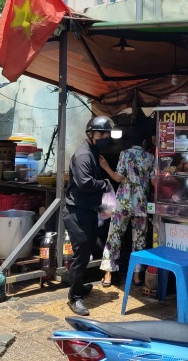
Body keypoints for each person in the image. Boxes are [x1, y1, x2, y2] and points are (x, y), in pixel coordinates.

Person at [63, 116, 116, 316]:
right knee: (82, 254)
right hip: (77, 212)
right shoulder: (83, 155)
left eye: (106, 134)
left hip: (88, 211)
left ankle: (79, 286)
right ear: (89, 134)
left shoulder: (93, 152)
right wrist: (104, 184)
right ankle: (74, 297)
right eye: (101, 133)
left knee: (87, 252)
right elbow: (85, 183)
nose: (104, 137)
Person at [100, 130, 154, 288]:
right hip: (141, 204)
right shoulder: (150, 158)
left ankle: (108, 275)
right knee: (139, 239)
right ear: (144, 142)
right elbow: (153, 182)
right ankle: (137, 276)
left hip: (124, 202)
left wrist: (105, 166)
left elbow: (119, 178)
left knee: (114, 237)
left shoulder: (125, 154)